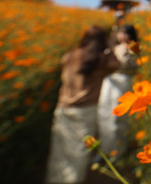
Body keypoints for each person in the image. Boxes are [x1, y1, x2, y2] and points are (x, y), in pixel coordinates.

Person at [45, 26, 120, 184]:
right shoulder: (100, 59)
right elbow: (117, 65)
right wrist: (110, 47)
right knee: (79, 153)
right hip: (86, 111)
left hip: (63, 108)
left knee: (59, 152)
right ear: (102, 41)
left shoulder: (70, 55)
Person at [96, 24, 139, 159]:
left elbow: (132, 67)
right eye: (120, 33)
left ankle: (118, 150)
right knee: (103, 112)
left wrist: (117, 61)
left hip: (122, 81)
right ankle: (105, 149)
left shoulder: (133, 48)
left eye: (125, 33)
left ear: (131, 35)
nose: (122, 36)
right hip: (109, 80)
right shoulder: (113, 47)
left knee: (117, 116)